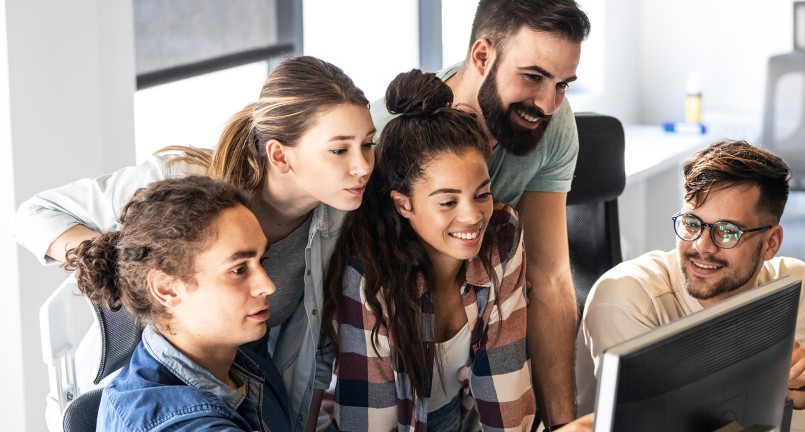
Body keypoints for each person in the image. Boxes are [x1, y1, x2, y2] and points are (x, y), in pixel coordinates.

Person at [12, 56, 375, 431]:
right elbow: (33, 215)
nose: (363, 166)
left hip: (240, 379)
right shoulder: (180, 186)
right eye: (339, 150)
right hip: (152, 387)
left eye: (368, 144)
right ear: (279, 155)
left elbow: (314, 345)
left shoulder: (338, 208)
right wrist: (132, 261)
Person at [370, 1, 590, 425]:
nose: (547, 104)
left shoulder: (554, 125)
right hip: (388, 350)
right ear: (482, 56)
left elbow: (550, 278)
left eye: (563, 84)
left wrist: (563, 425)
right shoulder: (385, 137)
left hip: (479, 348)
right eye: (533, 77)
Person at [574, 140, 805, 431]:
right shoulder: (626, 298)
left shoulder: (791, 285)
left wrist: (803, 391)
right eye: (691, 223)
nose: (702, 246)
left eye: (727, 231)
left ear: (771, 243)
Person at [324, 70, 533, 430]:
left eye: (481, 194)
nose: (472, 216)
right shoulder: (367, 277)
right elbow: (370, 422)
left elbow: (506, 385)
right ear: (403, 205)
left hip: (453, 416)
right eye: (448, 202)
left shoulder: (503, 236)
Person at [65, 176, 289, 430]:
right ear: (166, 288)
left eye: (262, 261)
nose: (268, 285)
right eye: (239, 270)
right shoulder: (176, 424)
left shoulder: (236, 354)